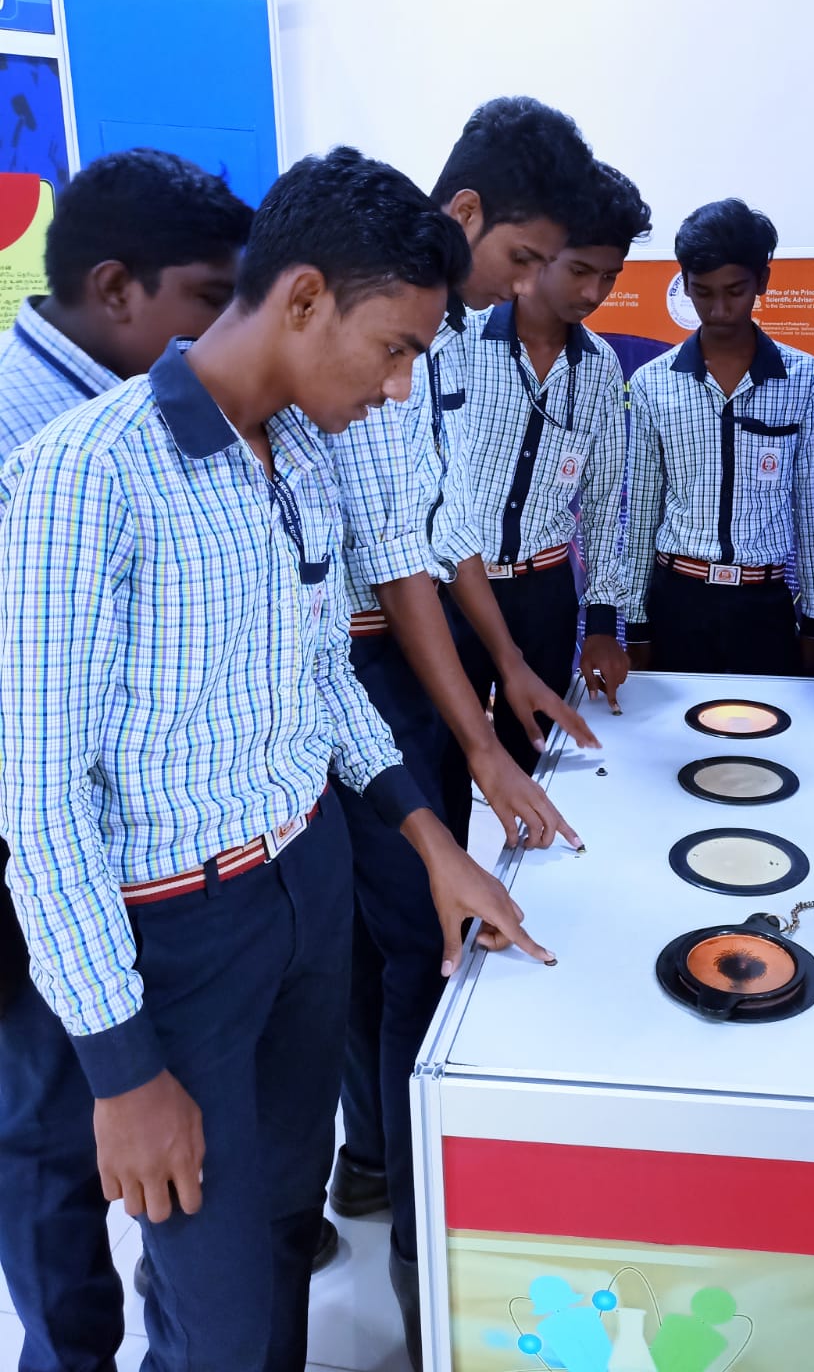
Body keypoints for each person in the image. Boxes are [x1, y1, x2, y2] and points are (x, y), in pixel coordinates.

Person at [0, 146, 551, 1372]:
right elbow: (38, 805)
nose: (400, 389)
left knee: (288, 1228)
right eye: (394, 350)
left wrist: (429, 838)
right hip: (177, 935)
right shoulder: (85, 480)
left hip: (306, 882)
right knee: (218, 1312)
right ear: (303, 298)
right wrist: (120, 1068)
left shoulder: (296, 456)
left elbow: (322, 679)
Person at [322, 99, 600, 1362]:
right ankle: (416, 1237)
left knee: (391, 943)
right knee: (408, 948)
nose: (530, 286)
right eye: (526, 258)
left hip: (406, 659)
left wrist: (504, 691)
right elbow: (395, 564)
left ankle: (380, 1165)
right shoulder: (389, 317)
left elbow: (436, 531)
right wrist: (477, 740)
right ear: (469, 212)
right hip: (359, 670)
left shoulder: (433, 338)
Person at [0, 148, 253, 1372]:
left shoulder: (161, 413)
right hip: (33, 842)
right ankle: (69, 1353)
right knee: (51, 1120)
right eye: (208, 297)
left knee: (137, 1113)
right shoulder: (35, 438)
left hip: (132, 849)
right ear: (115, 288)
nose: (224, 329)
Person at [440, 161, 650, 814]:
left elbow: (604, 502)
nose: (594, 292)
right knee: (442, 766)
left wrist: (603, 621)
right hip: (451, 590)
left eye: (610, 276)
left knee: (537, 768)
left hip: (545, 599)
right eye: (580, 269)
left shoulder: (601, 368)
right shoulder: (457, 340)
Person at [625, 198, 814, 677]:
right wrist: (635, 625)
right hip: (677, 601)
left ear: (762, 280)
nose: (718, 310)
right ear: (685, 284)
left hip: (764, 606)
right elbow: (641, 512)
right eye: (702, 292)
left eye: (735, 291)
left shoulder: (803, 378)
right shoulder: (652, 383)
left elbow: (812, 508)